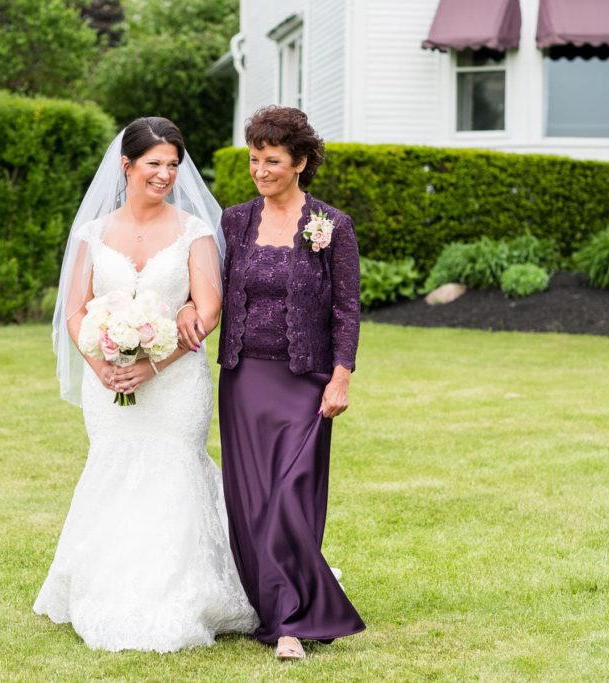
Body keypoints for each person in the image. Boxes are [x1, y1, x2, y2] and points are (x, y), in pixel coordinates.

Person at [34, 117, 258, 652]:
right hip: (107, 382)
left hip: (177, 382)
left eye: (173, 165)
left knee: (173, 467)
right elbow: (75, 311)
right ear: (126, 165)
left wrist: (154, 363)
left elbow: (208, 310)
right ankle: (105, 586)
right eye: (154, 163)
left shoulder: (194, 231)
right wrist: (102, 363)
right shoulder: (92, 233)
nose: (164, 174)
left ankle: (182, 595)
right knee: (114, 466)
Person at [179, 105, 366, 660]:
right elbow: (207, 284)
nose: (260, 170)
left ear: (301, 163)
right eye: (255, 159)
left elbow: (347, 310)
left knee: (290, 496)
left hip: (306, 380)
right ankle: (280, 609)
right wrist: (190, 305)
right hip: (244, 378)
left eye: (273, 161)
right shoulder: (234, 222)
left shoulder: (331, 225)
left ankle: (291, 623)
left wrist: (341, 378)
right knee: (253, 501)